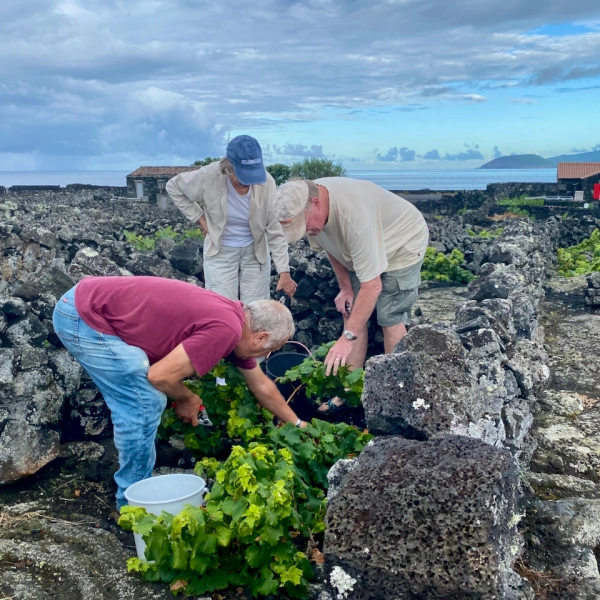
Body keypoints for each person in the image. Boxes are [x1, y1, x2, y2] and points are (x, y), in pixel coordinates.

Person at [52, 276, 305, 509]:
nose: (266, 356)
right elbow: (160, 376)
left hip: (88, 303)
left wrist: (296, 423)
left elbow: (260, 384)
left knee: (145, 393)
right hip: (83, 317)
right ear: (261, 337)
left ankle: (135, 493)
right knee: (144, 402)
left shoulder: (235, 321)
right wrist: (187, 398)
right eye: (270, 349)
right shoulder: (226, 329)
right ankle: (132, 507)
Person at [274, 177, 429, 414]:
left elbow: (373, 286)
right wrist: (345, 288)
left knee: (390, 318)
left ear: (315, 203)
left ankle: (394, 395)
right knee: (351, 312)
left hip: (402, 244)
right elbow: (331, 245)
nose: (306, 232)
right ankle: (349, 391)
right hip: (362, 248)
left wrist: (346, 340)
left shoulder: (355, 218)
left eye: (304, 227)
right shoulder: (306, 207)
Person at [166, 135, 297, 303]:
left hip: (255, 251)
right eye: (243, 178)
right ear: (228, 169)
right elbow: (173, 187)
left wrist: (283, 272)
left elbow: (274, 229)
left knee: (256, 309)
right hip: (221, 250)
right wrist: (200, 218)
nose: (249, 184)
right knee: (222, 307)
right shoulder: (208, 176)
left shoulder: (267, 183)